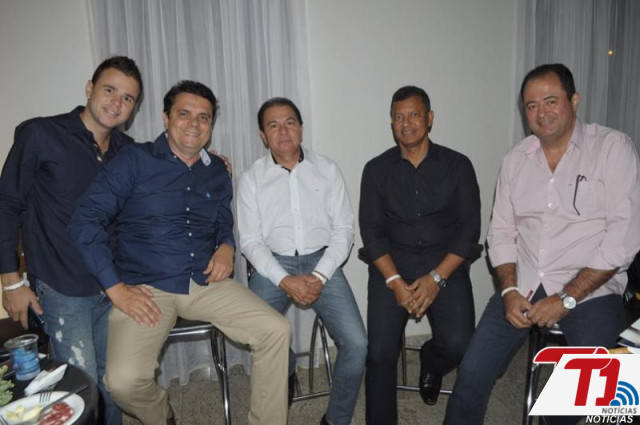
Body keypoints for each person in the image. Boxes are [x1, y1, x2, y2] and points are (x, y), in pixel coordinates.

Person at [67, 81, 291, 425]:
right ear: (166, 118)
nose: (194, 123)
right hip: (145, 288)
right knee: (123, 382)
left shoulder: (217, 170)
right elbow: (85, 221)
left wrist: (227, 246)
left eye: (204, 117)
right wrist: (116, 289)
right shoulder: (134, 160)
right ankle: (162, 415)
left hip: (204, 282)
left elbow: (222, 218)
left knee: (275, 330)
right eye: (184, 114)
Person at [443, 63, 640, 425]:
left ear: (574, 100)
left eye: (551, 101)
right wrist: (508, 290)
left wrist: (566, 298)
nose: (541, 113)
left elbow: (622, 240)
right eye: (531, 106)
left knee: (583, 395)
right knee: (471, 375)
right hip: (526, 284)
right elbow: (501, 232)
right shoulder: (516, 159)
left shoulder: (613, 148)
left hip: (592, 291)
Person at [0, 56, 143, 425]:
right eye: (110, 90)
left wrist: (208, 161)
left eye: (128, 98)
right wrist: (11, 281)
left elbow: (164, 174)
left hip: (114, 286)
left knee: (112, 385)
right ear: (89, 88)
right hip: (63, 286)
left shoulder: (128, 151)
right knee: (82, 389)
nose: (116, 102)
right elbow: (6, 205)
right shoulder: (41, 135)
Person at [237, 97, 367, 425]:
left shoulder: (327, 169)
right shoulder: (251, 178)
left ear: (301, 128)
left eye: (290, 122)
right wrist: (284, 279)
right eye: (273, 125)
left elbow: (344, 230)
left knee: (357, 344)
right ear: (263, 135)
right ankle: (287, 364)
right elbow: (250, 242)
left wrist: (319, 276)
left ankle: (336, 419)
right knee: (254, 332)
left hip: (323, 261)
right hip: (272, 264)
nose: (283, 131)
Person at [360, 86, 481, 425]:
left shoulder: (458, 165)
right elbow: (371, 231)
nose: (406, 123)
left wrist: (436, 278)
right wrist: (395, 281)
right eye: (398, 117)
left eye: (414, 115)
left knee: (459, 344)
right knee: (379, 353)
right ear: (391, 122)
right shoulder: (376, 169)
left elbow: (468, 229)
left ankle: (431, 361)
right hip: (392, 265)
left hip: (445, 263)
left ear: (429, 118)